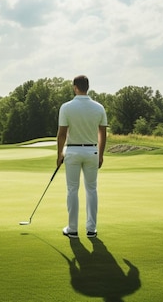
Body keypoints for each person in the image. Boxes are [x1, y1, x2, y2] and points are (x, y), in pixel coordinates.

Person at [57, 75, 107, 238]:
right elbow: (103, 133)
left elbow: (62, 134)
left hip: (72, 151)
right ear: (88, 87)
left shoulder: (66, 107)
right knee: (91, 190)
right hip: (92, 151)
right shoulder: (99, 107)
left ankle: (72, 229)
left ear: (74, 87)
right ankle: (91, 229)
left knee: (72, 190)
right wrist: (101, 154)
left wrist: (59, 154)